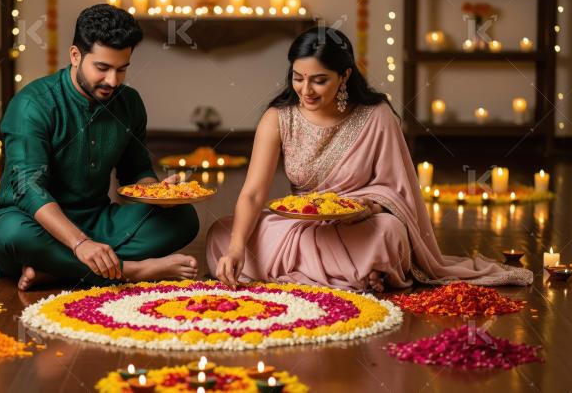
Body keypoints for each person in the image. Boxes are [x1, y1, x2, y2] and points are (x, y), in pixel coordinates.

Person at [207, 26, 532, 292]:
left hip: (359, 226)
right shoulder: (279, 118)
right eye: (298, 77)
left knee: (389, 232)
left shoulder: (376, 115)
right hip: (299, 226)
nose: (306, 90)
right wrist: (236, 248)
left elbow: (397, 190)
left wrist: (368, 208)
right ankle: (361, 275)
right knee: (222, 234)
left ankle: (343, 272)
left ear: (344, 76)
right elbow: (253, 193)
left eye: (319, 80)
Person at [0, 4, 199, 290]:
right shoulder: (32, 104)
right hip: (34, 223)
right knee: (10, 234)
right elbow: (28, 188)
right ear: (75, 55)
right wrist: (80, 243)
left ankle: (57, 270)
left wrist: (159, 194)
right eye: (102, 68)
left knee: (183, 218)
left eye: (122, 69)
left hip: (97, 221)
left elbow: (136, 172)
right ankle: (130, 270)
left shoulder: (129, 103)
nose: (112, 81)